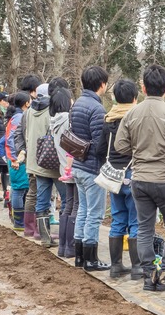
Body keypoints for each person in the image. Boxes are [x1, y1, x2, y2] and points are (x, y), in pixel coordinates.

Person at [116, 65, 165, 291]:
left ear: (143, 87)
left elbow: (120, 145)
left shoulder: (131, 114)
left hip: (140, 179)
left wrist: (139, 150)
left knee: (144, 228)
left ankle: (149, 276)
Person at [71, 65, 111, 271]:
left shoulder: (77, 103)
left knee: (83, 211)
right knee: (94, 214)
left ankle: (79, 256)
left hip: (78, 164)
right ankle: (91, 259)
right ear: (101, 84)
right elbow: (98, 145)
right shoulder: (97, 109)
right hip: (92, 168)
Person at [101, 79, 141, 280]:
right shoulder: (137, 118)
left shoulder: (108, 119)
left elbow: (100, 149)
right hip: (133, 173)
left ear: (115, 97)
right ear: (135, 97)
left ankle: (116, 266)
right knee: (135, 221)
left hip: (114, 176)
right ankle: (137, 268)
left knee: (117, 220)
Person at [22, 82, 65, 247]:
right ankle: (66, 237)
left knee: (41, 200)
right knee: (67, 200)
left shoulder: (30, 111)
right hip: (53, 163)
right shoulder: (52, 111)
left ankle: (45, 237)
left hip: (36, 162)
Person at [48, 83, 77, 258]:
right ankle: (71, 246)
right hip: (71, 165)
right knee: (74, 206)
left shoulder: (54, 120)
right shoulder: (68, 118)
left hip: (62, 166)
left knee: (67, 206)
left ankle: (63, 247)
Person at [14, 74, 43, 239]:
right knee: (37, 192)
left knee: (32, 192)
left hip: (30, 158)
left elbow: (17, 136)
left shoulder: (26, 112)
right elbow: (18, 135)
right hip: (37, 159)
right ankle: (37, 228)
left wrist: (23, 151)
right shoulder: (30, 112)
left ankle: (29, 227)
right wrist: (22, 151)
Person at [5, 92, 31, 230]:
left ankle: (20, 221)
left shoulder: (17, 116)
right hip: (17, 160)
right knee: (19, 189)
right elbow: (11, 139)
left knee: (20, 189)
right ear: (26, 103)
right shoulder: (19, 117)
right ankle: (19, 222)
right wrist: (16, 158)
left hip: (17, 159)